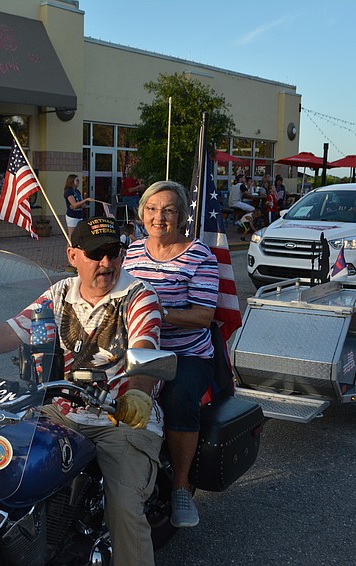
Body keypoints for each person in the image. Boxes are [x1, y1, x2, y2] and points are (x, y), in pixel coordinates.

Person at [0, 217, 163, 566]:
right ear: (73, 255)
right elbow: (13, 330)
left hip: (121, 417)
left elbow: (145, 346)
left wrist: (138, 393)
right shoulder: (59, 294)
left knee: (124, 510)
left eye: (113, 252)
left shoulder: (139, 296)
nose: (106, 263)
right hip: (62, 408)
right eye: (95, 253)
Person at [122, 181, 222, 529]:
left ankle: (180, 486)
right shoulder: (132, 252)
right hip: (138, 347)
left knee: (179, 400)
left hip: (186, 354)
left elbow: (203, 316)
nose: (158, 217)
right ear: (142, 214)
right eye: (151, 209)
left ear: (181, 217)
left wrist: (155, 312)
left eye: (168, 210)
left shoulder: (199, 256)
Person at [64, 174, 91, 240]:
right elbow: (74, 205)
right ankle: (69, 249)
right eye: (77, 180)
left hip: (79, 215)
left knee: (79, 236)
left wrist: (80, 204)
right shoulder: (69, 192)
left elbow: (82, 205)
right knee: (71, 237)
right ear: (72, 181)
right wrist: (85, 200)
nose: (78, 182)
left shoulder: (77, 192)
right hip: (72, 216)